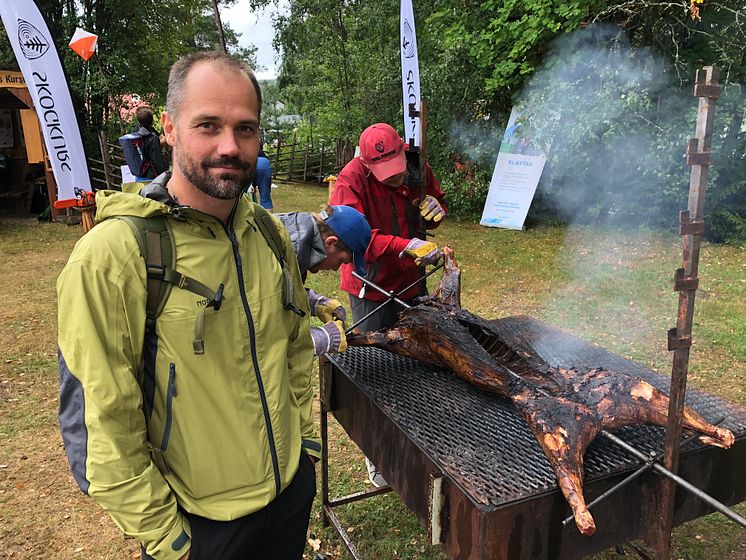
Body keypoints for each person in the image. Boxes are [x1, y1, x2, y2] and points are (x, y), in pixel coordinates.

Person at [57, 51, 318, 560]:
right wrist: (168, 538)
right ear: (169, 129)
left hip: (288, 496)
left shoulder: (267, 233)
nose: (230, 146)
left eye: (246, 128)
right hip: (199, 528)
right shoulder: (115, 256)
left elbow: (294, 347)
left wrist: (304, 449)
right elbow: (101, 420)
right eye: (208, 125)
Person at [329, 122, 447, 487]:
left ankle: (418, 433)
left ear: (402, 150)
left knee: (420, 357)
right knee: (377, 370)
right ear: (366, 164)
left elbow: (435, 203)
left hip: (412, 279)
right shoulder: (349, 181)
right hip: (370, 285)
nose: (394, 180)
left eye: (397, 171)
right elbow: (357, 239)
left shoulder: (416, 163)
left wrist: (436, 207)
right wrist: (405, 246)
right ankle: (377, 455)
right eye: (384, 176)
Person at [277, 204, 372, 356]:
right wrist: (319, 339)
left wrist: (312, 301)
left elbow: (275, 294)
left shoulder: (296, 241)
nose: (335, 268)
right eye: (342, 260)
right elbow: (256, 331)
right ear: (331, 242)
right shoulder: (282, 251)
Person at [131, 105, 168, 182]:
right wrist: (165, 175)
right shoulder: (152, 138)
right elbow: (157, 159)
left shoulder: (134, 134)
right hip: (151, 176)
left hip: (139, 175)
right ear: (152, 120)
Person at [251, 143, 274, 211]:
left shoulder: (249, 151)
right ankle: (268, 219)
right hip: (264, 164)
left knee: (242, 194)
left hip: (252, 162)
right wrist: (254, 185)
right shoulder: (263, 155)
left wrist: (253, 185)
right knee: (265, 196)